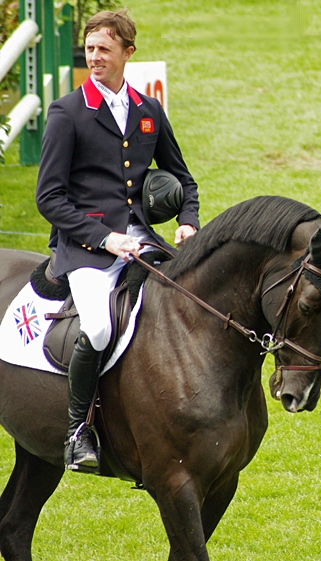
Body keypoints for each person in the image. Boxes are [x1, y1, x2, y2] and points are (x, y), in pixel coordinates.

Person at [35, 9, 200, 472]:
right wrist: (105, 239)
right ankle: (76, 432)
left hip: (142, 241)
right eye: (89, 49)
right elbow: (49, 197)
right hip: (85, 249)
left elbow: (183, 179)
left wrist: (188, 220)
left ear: (128, 52)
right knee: (102, 328)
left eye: (104, 49)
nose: (95, 57)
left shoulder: (148, 111)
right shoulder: (67, 112)